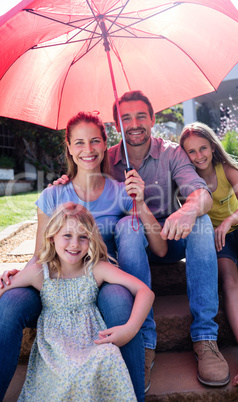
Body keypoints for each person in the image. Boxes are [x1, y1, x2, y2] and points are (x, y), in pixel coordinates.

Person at [0, 112, 167, 402]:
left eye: (94, 141)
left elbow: (161, 249)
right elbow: (41, 255)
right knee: (10, 305)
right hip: (57, 281)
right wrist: (18, 275)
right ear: (68, 146)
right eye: (79, 142)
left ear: (105, 145)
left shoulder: (121, 192)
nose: (87, 150)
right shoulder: (53, 195)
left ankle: (132, 394)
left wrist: (139, 200)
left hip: (99, 277)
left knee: (118, 301)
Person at [108, 91, 230, 387]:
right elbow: (78, 181)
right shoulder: (107, 160)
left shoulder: (171, 152)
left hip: (169, 236)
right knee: (127, 226)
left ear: (152, 118)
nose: (134, 124)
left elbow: (201, 194)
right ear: (116, 125)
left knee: (200, 222)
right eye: (126, 118)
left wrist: (187, 211)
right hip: (130, 245)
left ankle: (205, 337)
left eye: (141, 116)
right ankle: (145, 340)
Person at [0, 202, 155, 401]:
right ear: (52, 238)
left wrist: (130, 328)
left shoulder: (95, 269)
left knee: (107, 358)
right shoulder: (41, 272)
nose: (74, 244)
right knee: (68, 377)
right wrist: (6, 279)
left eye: (83, 237)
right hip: (56, 350)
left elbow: (145, 291)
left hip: (91, 343)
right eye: (67, 236)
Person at [180, 121, 238, 385]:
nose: (199, 156)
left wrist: (230, 221)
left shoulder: (226, 169)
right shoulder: (185, 179)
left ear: (212, 146)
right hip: (215, 243)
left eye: (203, 148)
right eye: (191, 152)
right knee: (230, 282)